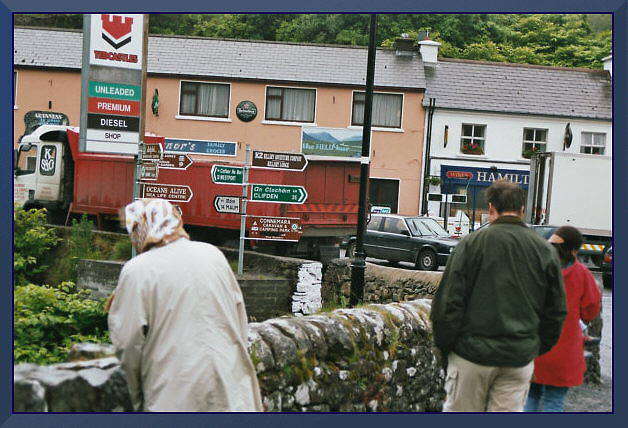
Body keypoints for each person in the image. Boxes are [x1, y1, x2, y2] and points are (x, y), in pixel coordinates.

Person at [107, 198, 263, 412]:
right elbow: (239, 321)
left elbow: (128, 342)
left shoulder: (137, 270)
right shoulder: (213, 255)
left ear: (140, 229)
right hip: (231, 386)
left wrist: (135, 400)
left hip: (175, 394)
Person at [430, 179, 567, 412]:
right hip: (517, 358)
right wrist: (533, 347)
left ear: (491, 208)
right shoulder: (543, 250)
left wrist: (447, 348)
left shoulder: (471, 244)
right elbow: (556, 311)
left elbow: (448, 304)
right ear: (522, 210)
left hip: (471, 356)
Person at [524, 226, 601, 412]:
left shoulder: (534, 269)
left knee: (531, 397)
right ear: (574, 250)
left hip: (533, 346)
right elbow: (591, 310)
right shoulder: (582, 274)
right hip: (564, 349)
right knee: (554, 401)